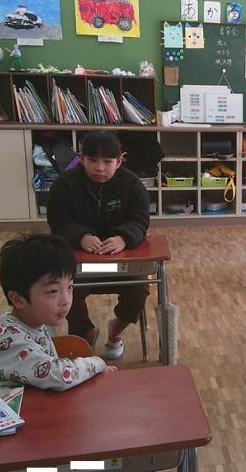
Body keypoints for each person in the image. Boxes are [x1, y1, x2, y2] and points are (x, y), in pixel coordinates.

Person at [46, 130, 150, 360]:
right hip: (80, 265)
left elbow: (140, 219)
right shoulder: (65, 184)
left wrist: (123, 238)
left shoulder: (131, 184)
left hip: (120, 264)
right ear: (81, 159)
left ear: (119, 161)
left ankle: (116, 330)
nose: (99, 168)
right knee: (62, 290)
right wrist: (81, 237)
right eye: (92, 160)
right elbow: (58, 220)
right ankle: (84, 332)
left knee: (139, 288)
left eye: (107, 162)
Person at [0, 233, 117, 391]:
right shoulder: (10, 340)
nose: (66, 300)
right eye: (53, 291)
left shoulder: (31, 323)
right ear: (18, 299)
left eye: (70, 287)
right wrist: (96, 363)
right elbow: (60, 376)